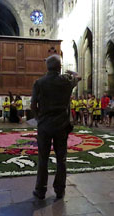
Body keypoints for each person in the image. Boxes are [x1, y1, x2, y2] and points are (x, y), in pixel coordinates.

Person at [31, 54, 81, 199]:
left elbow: (33, 105)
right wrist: (69, 72)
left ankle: (40, 190)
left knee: (43, 159)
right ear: (60, 67)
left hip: (45, 125)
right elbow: (78, 76)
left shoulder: (39, 82)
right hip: (62, 125)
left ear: (47, 67)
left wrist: (38, 118)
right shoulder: (66, 81)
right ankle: (60, 190)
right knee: (61, 159)